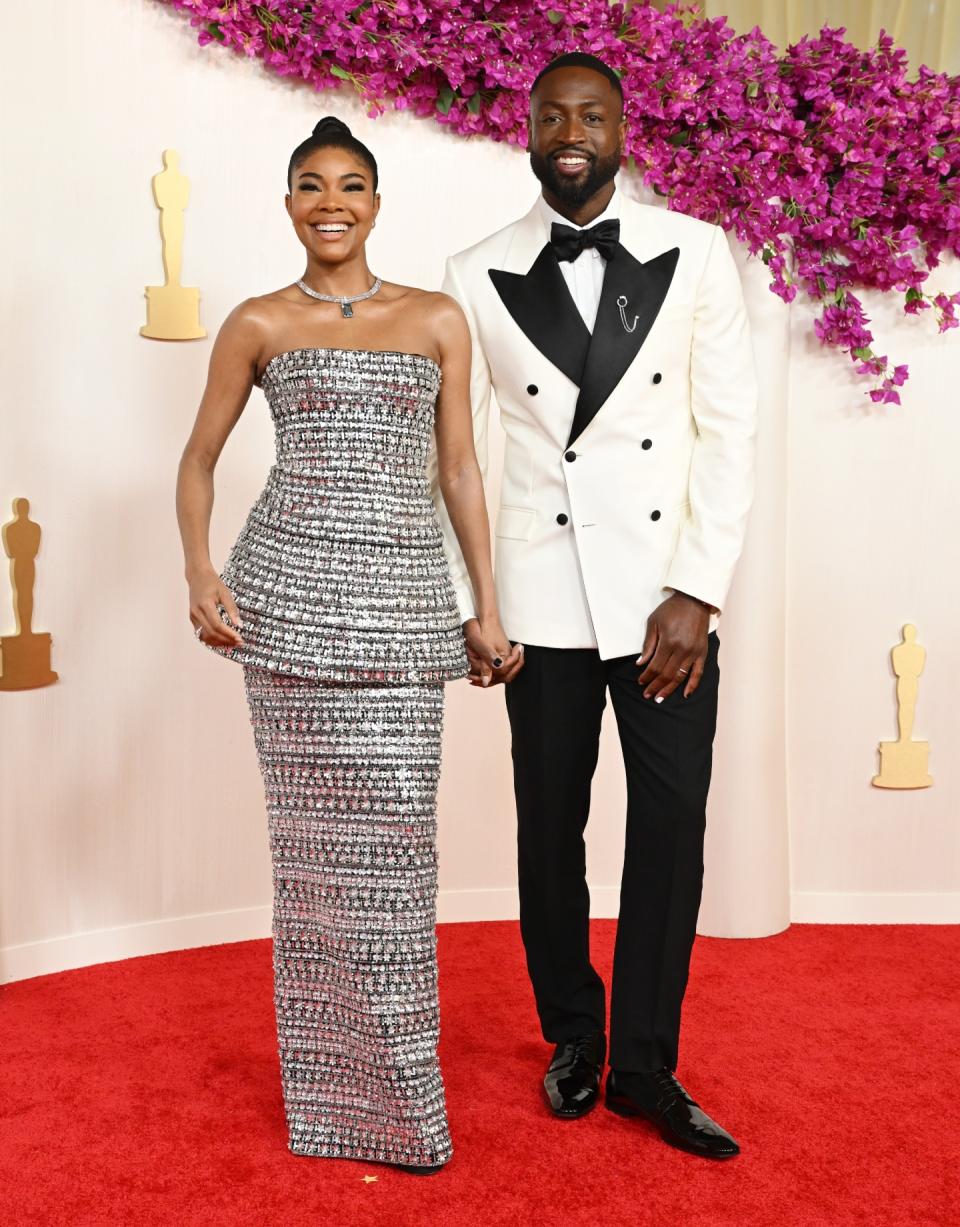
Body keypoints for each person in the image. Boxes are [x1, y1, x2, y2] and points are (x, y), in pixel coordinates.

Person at [176, 116, 517, 1173]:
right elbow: (197, 462)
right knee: (313, 865)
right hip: (288, 612)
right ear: (288, 204)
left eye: (353, 185)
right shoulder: (255, 322)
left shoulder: (438, 319)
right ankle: (331, 1110)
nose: (333, 202)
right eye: (313, 185)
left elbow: (460, 471)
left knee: (396, 865)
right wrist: (201, 572)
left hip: (405, 615)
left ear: (378, 203)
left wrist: (484, 605)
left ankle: (405, 1109)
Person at [434, 53, 757, 1159]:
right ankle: (573, 1034)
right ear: (525, 127)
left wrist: (698, 591)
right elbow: (462, 453)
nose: (571, 131)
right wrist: (477, 601)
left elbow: (728, 431)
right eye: (552, 114)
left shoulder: (698, 251)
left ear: (625, 127)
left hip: (665, 597)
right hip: (538, 597)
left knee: (669, 826)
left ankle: (647, 1068)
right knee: (549, 826)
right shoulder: (475, 270)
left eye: (593, 114)